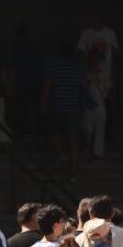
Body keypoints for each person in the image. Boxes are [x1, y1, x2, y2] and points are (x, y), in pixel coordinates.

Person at [42, 41, 84, 179]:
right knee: (73, 140)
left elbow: (48, 87)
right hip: (74, 106)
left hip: (58, 105)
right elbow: (81, 87)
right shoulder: (77, 68)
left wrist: (43, 103)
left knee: (54, 132)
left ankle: (61, 154)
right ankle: (73, 172)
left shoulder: (55, 67)